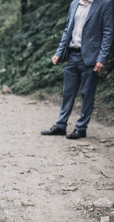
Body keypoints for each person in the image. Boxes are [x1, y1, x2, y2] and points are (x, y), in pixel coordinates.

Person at [41, 0, 113, 139]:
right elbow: (68, 29)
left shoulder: (105, 4)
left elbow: (108, 32)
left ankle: (81, 128)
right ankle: (61, 125)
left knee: (87, 94)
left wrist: (102, 58)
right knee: (67, 92)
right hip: (72, 55)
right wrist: (59, 52)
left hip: (91, 58)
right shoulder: (74, 3)